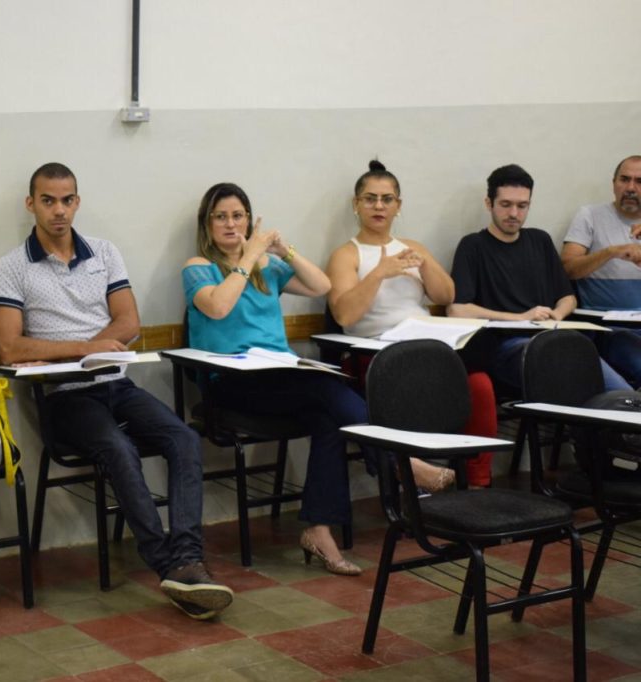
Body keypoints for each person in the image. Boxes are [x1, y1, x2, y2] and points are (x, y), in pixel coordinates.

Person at [0, 162, 233, 620]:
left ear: (77, 202)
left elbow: (130, 322)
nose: (59, 211)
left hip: (115, 382)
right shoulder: (11, 266)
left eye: (67, 200)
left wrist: (92, 350)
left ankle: (188, 556)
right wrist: (86, 349)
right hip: (63, 395)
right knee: (119, 448)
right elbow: (10, 347)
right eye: (48, 201)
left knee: (182, 437)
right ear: (31, 204)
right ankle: (169, 566)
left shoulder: (103, 252)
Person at [183, 182, 367, 576]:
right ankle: (398, 460)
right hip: (230, 385)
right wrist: (249, 256)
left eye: (238, 216)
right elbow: (218, 307)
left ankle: (318, 530)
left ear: (250, 220)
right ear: (207, 224)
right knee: (329, 390)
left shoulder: (267, 267)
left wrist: (285, 250)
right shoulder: (197, 267)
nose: (231, 224)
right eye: (221, 217)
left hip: (280, 378)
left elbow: (322, 286)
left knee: (329, 417)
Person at [326, 160, 497, 488]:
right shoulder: (347, 255)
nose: (379, 206)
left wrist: (426, 266)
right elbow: (345, 316)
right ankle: (412, 474)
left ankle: (476, 481)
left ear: (398, 205)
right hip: (377, 355)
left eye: (387, 199)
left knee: (480, 385)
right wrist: (379, 272)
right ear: (356, 204)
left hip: (427, 348)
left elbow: (447, 295)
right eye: (370, 199)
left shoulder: (412, 247)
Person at [448, 163, 631, 392]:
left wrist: (557, 314)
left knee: (616, 389)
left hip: (553, 338)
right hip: (507, 345)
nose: (514, 214)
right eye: (505, 205)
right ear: (489, 203)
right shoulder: (473, 246)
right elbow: (457, 309)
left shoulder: (540, 241)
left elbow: (568, 298)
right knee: (567, 371)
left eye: (522, 206)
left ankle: (619, 405)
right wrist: (520, 318)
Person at [561, 155, 641, 386]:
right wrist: (611, 252)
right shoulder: (590, 216)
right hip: (608, 329)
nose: (630, 188)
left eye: (639, 181)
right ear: (613, 183)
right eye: (624, 179)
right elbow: (567, 269)